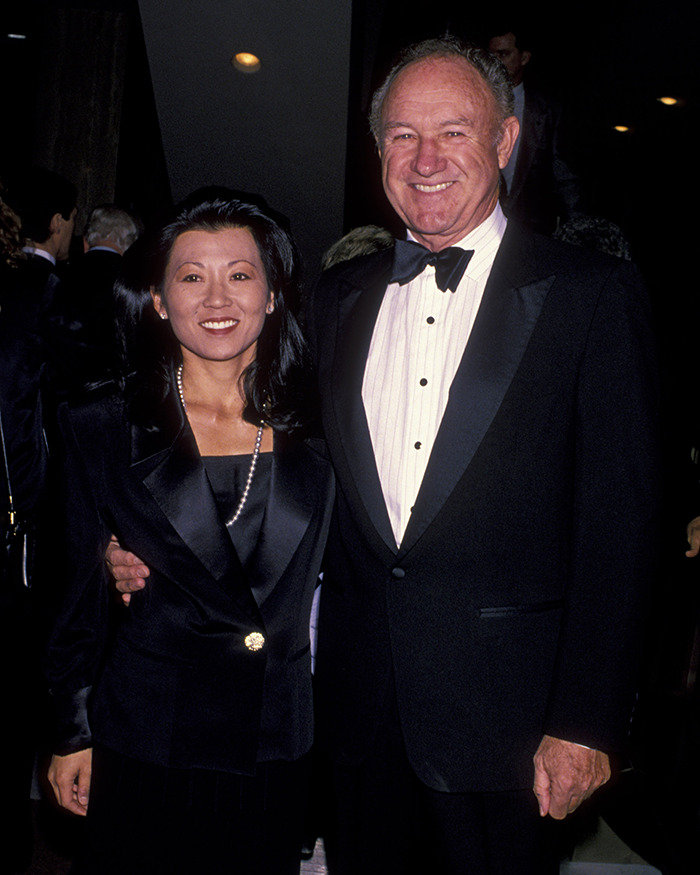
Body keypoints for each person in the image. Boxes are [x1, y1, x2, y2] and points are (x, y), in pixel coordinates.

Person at [110, 37, 659, 874]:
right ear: (378, 153)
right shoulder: (341, 294)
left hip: (508, 726)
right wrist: (140, 544)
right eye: (403, 135)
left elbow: (620, 526)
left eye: (454, 132)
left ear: (506, 141)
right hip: (356, 717)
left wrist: (586, 721)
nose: (426, 158)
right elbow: (264, 449)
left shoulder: (589, 295)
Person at [43, 188, 334, 875]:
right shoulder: (102, 424)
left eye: (240, 274)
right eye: (191, 276)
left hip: (273, 734)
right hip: (147, 731)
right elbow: (71, 595)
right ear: (158, 299)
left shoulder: (327, 427)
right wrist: (70, 731)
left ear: (271, 295)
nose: (216, 298)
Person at [486, 25, 585, 234]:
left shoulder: (547, 111)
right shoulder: (471, 105)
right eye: (491, 54)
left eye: (503, 54)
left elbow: (564, 178)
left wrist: (578, 232)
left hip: (531, 231)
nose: (495, 62)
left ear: (524, 57)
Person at [44, 203, 144, 393]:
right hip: (117, 399)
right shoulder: (136, 287)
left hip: (63, 401)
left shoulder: (57, 279)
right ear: (131, 246)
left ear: (85, 242)